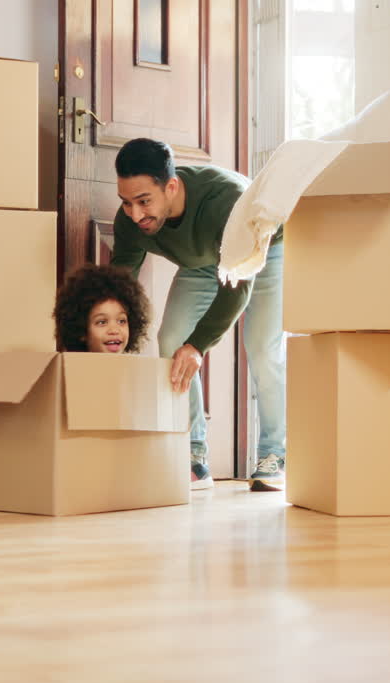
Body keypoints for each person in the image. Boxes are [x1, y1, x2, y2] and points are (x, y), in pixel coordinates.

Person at [110, 138, 284, 492]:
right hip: (205, 261)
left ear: (171, 187)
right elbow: (118, 282)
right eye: (126, 203)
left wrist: (198, 345)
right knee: (171, 341)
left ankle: (274, 455)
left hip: (260, 251)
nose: (136, 214)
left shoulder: (226, 202)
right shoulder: (130, 219)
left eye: (144, 202)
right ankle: (193, 457)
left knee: (262, 348)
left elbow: (237, 285)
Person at [53, 264, 151, 354]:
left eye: (121, 321)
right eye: (102, 322)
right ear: (82, 332)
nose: (114, 330)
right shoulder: (74, 371)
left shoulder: (134, 370)